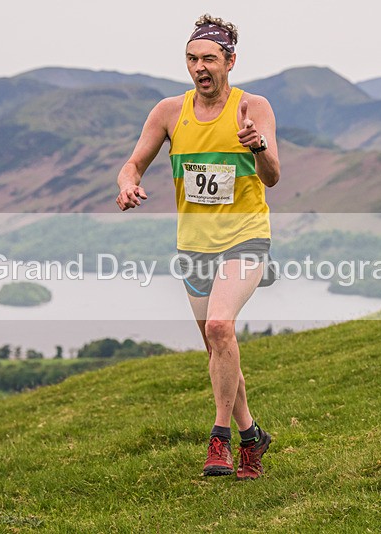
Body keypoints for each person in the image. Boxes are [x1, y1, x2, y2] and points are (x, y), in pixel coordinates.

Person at [116, 14, 280, 480]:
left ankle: (220, 440)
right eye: (192, 59)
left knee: (221, 326)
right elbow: (133, 164)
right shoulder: (170, 112)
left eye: (209, 58)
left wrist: (258, 144)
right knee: (218, 346)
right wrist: (127, 184)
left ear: (230, 60)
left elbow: (272, 176)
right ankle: (255, 438)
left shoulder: (254, 107)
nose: (199, 68)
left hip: (246, 237)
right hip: (194, 247)